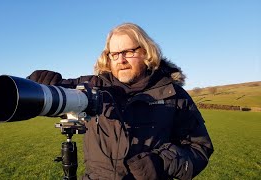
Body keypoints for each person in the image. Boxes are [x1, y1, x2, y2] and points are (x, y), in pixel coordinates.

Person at [27, 23, 214, 180]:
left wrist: (161, 163)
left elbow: (200, 148)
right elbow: (50, 94)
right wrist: (37, 84)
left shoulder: (174, 95)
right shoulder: (92, 87)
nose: (121, 60)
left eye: (128, 51)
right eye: (114, 54)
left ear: (146, 52)